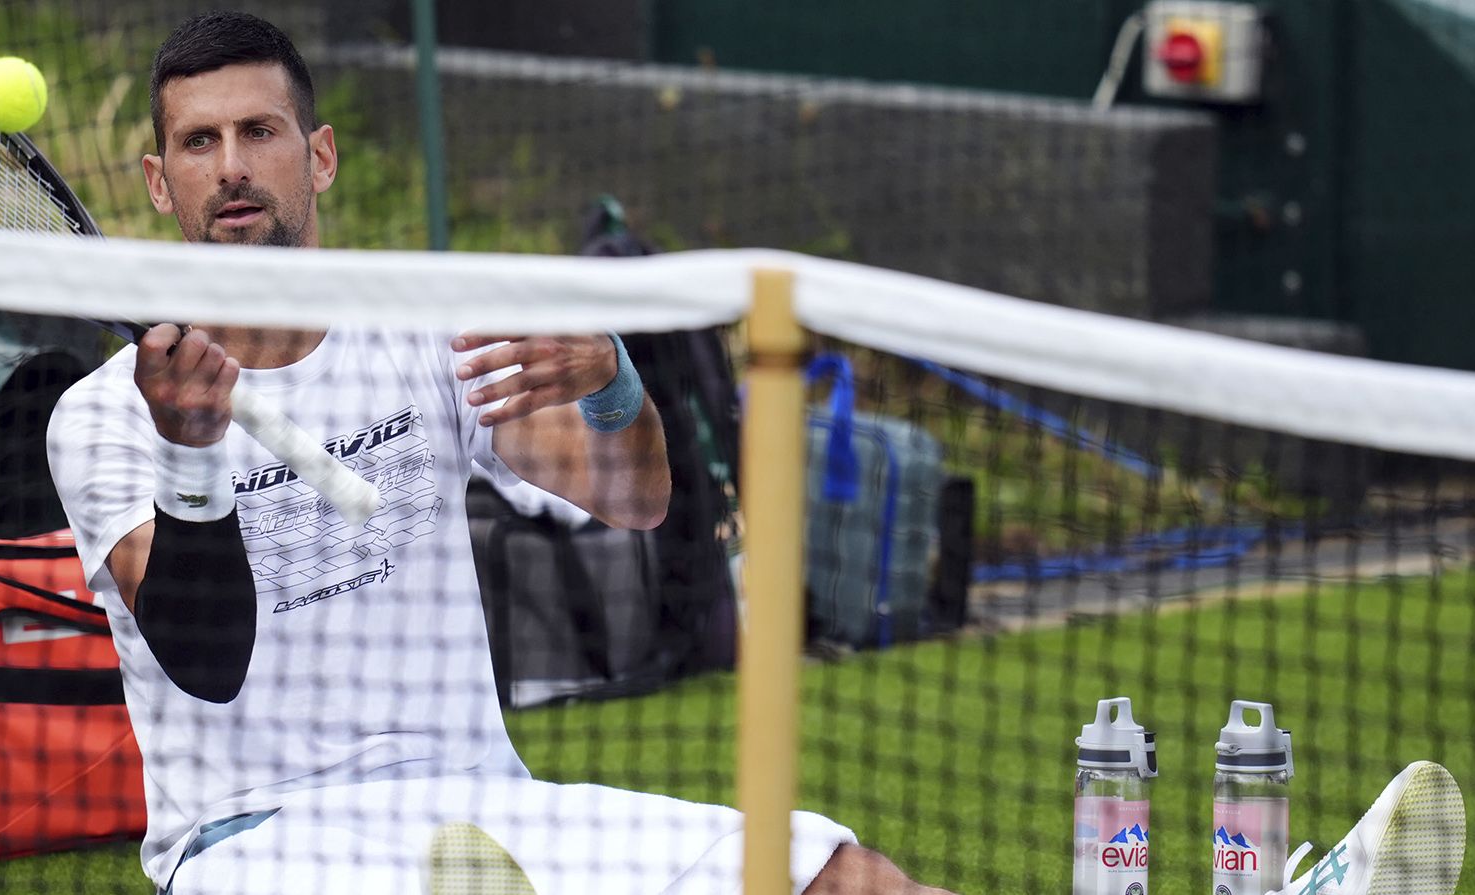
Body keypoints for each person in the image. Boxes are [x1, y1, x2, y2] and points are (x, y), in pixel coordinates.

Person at [47, 12, 949, 895]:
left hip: (481, 801)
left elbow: (635, 499)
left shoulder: (426, 331)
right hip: (250, 837)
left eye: (259, 131)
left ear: (319, 155)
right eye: (200, 142)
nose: (234, 165)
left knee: (845, 876)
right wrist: (192, 454)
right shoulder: (102, 417)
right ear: (161, 182)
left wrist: (613, 385)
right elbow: (203, 654)